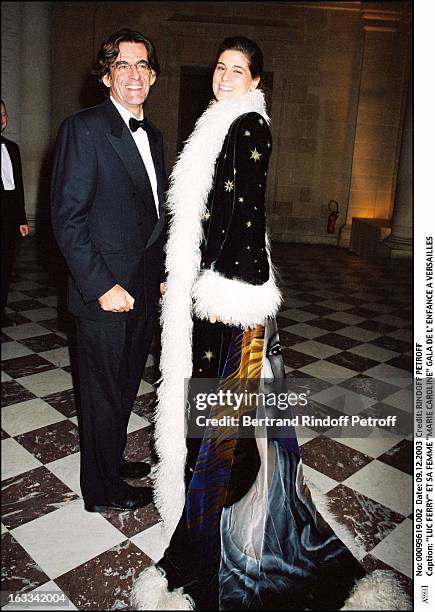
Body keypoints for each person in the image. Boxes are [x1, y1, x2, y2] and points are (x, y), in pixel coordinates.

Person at [132, 37, 410, 610]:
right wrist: (182, 276)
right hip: (210, 286)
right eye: (220, 67)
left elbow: (244, 217)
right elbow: (209, 218)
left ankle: (222, 518)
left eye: (238, 69)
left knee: (228, 412)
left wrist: (223, 291)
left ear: (255, 80)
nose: (225, 75)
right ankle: (211, 496)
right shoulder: (219, 123)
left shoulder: (248, 127)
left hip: (230, 294)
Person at [51, 29, 166, 513]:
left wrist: (161, 275)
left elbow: (156, 216)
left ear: (154, 75)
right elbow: (67, 218)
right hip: (105, 293)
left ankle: (112, 462)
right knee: (101, 397)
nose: (134, 74)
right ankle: (101, 490)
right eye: (123, 65)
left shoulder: (155, 136)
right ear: (106, 75)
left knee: (122, 388)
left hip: (142, 289)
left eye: (142, 65)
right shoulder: (84, 128)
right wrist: (102, 286)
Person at [1, 99, 29, 327]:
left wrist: (22, 218)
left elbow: (18, 185)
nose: (1, 119)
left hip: (9, 216)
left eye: (3, 114)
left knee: (6, 267)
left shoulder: (12, 148)